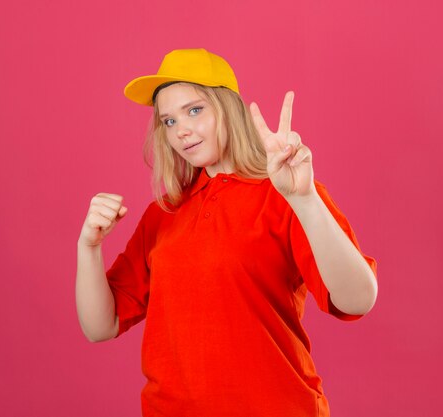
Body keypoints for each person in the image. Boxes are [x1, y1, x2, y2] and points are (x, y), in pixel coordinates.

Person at [76, 48, 378, 417]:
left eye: (195, 110)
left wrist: (306, 199)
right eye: (168, 121)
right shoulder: (163, 214)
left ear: (229, 108)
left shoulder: (284, 193)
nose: (181, 129)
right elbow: (100, 325)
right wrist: (89, 247)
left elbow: (358, 299)